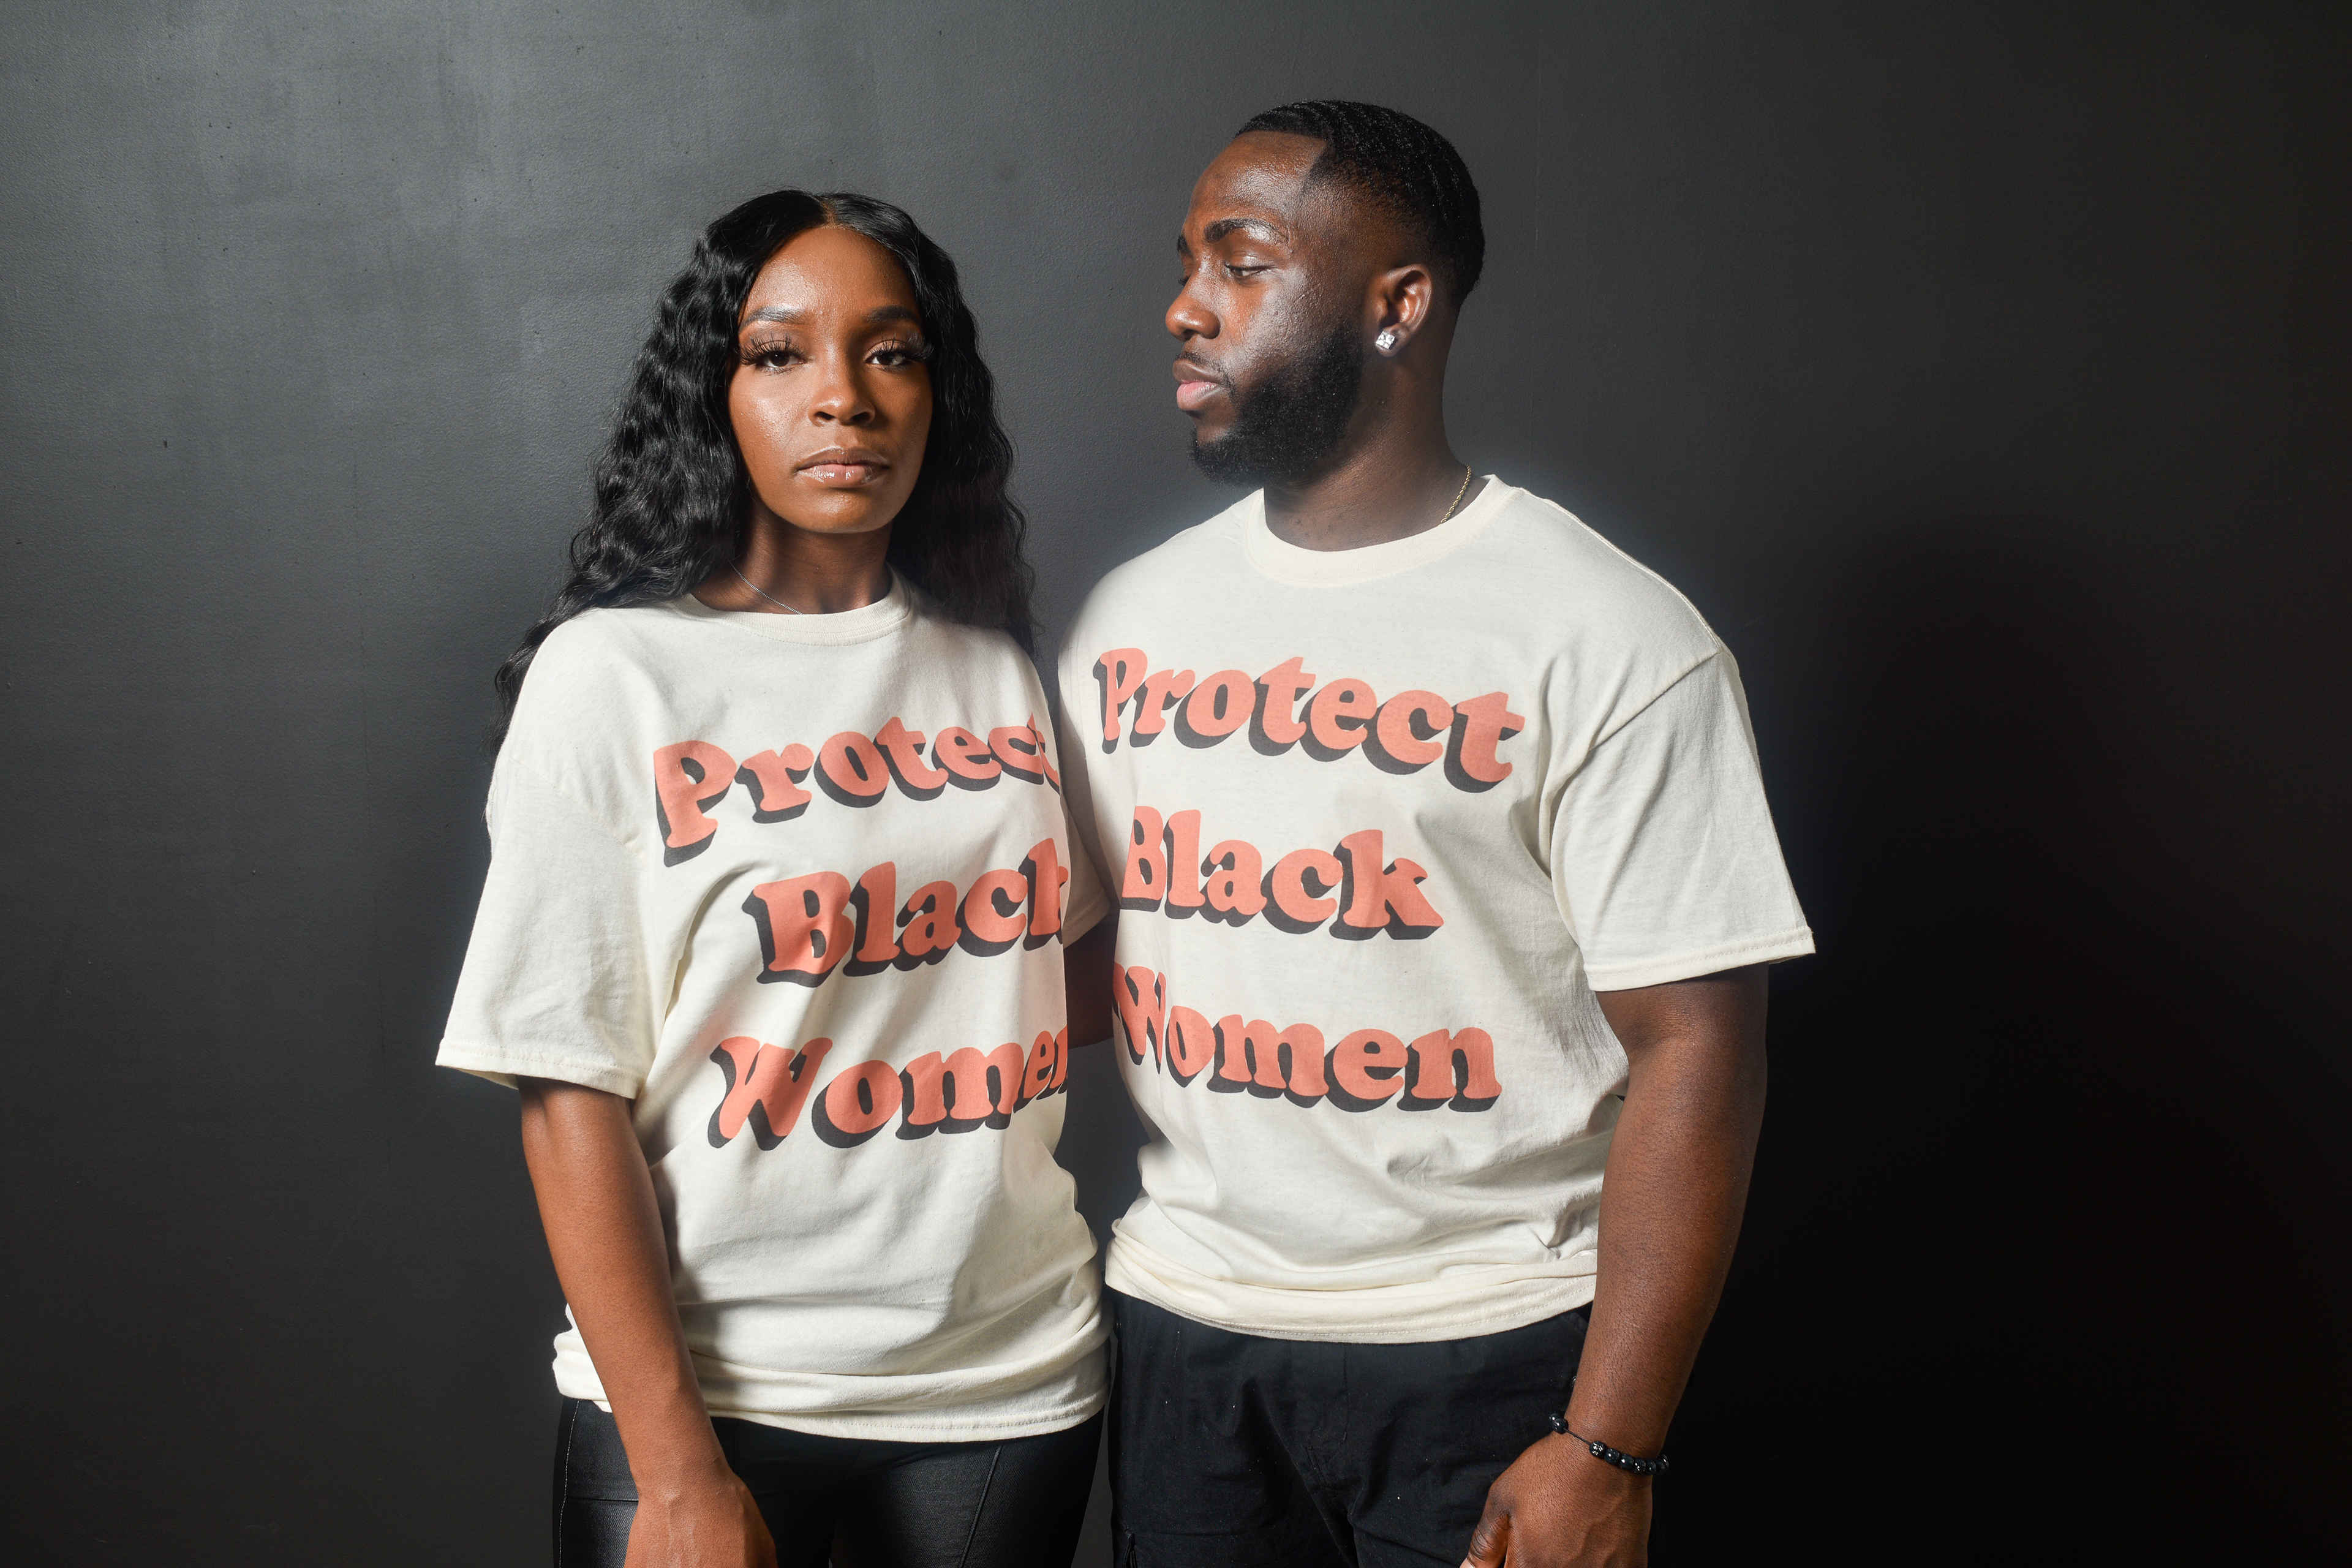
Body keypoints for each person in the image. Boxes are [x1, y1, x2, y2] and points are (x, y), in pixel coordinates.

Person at [1053, 102, 1814, 1567]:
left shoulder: (1607, 633)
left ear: (1398, 304)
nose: (1186, 307)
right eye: (1186, 263)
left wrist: (1610, 1440)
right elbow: (1088, 965)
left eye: (1243, 264)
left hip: (1499, 1348)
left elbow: (1699, 1045)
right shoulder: (1134, 613)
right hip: (1189, 1334)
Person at [437, 189, 1110, 1568]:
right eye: (780, 353)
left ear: (938, 394)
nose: (843, 397)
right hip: (715, 1392)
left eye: (891, 352)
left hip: (1008, 1372)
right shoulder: (616, 675)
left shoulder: (992, 666)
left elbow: (1054, 978)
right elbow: (566, 1090)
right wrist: (676, 1470)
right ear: (716, 395)